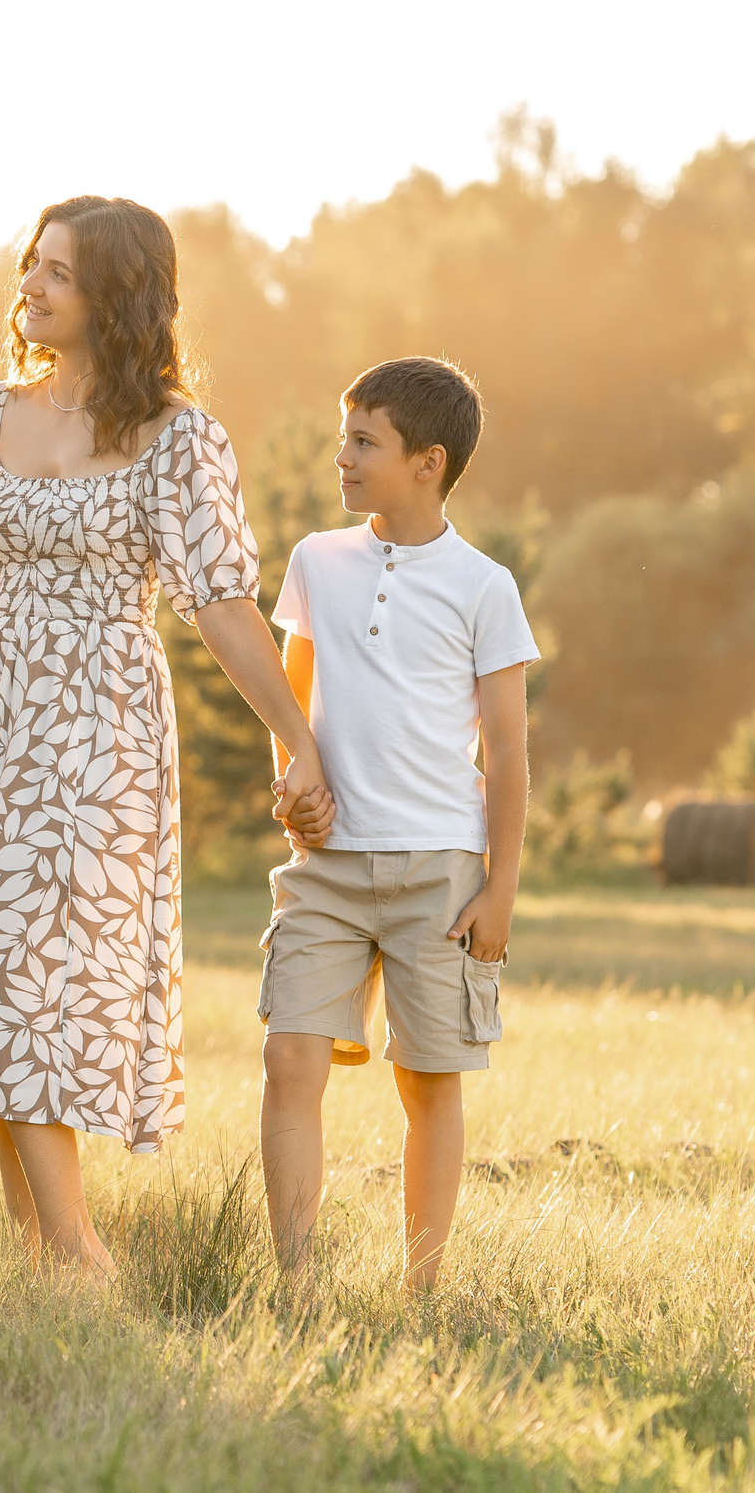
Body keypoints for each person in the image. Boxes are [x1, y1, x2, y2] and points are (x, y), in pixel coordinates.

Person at [0, 195, 333, 1278]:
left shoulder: (179, 439)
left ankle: (80, 1252)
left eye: (59, 274)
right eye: (30, 266)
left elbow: (221, 602)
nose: (30, 286)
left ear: (116, 297)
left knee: (40, 970)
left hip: (97, 728)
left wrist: (296, 739)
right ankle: (42, 1258)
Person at [257, 356, 537, 1293]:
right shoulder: (316, 562)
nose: (341, 456)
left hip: (442, 872)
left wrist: (499, 887)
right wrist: (290, 784)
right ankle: (294, 1284)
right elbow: (288, 705)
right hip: (328, 866)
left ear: (428, 460)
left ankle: (422, 1287)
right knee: (290, 1052)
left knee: (428, 1079)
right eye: (345, 436)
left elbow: (506, 748)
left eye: (363, 441)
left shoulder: (483, 586)